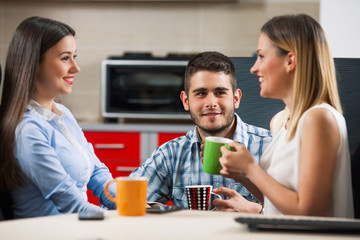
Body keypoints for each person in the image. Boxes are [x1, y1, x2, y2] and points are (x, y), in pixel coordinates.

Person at [214, 14, 354, 218]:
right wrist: (242, 174)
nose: (254, 68)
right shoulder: (280, 121)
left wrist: (252, 169)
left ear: (290, 61)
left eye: (261, 56)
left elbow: (310, 211)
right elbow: (280, 204)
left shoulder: (319, 118)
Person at [0, 16, 116, 218]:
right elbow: (69, 202)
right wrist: (121, 219)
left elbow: (98, 173)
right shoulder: (27, 129)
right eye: (65, 58)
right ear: (34, 63)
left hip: (75, 225)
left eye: (75, 56)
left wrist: (133, 203)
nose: (76, 68)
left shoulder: (64, 115)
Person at [130, 51, 272, 212]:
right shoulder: (170, 154)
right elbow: (126, 200)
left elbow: (301, 213)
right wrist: (170, 213)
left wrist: (258, 210)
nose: (211, 103)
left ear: (236, 98)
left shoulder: (271, 146)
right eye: (201, 93)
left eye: (220, 92)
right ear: (186, 101)